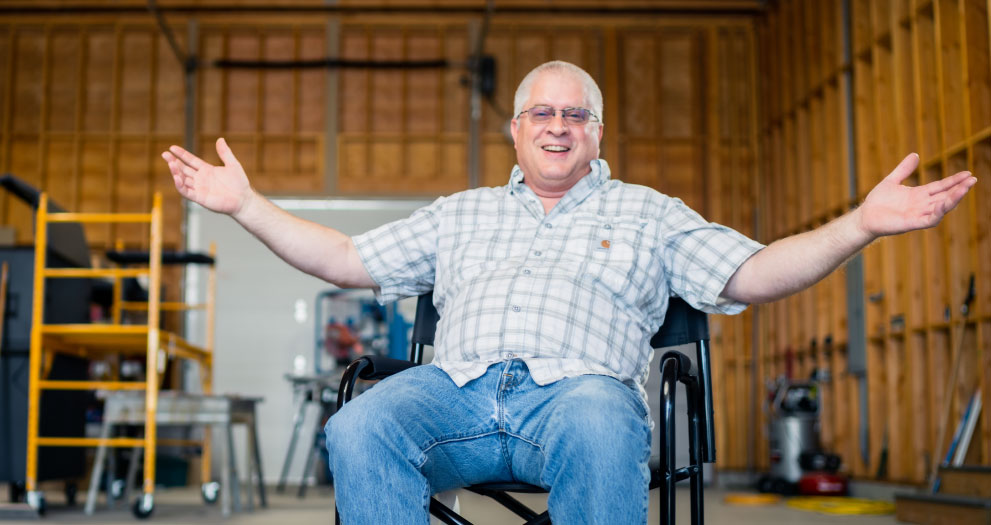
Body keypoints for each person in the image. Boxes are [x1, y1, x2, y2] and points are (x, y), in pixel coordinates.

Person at [162, 61, 976, 524]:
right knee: (363, 420)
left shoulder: (649, 212)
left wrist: (859, 225)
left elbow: (754, 272)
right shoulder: (462, 212)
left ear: (597, 133)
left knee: (596, 413)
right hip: (455, 391)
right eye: (540, 113)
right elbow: (341, 256)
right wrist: (245, 206)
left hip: (580, 395)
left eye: (576, 115)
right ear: (514, 129)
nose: (557, 126)